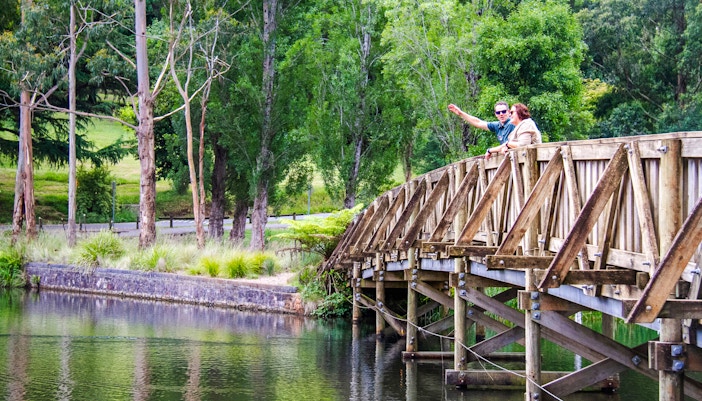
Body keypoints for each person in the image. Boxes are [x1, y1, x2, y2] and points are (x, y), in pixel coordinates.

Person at [447, 101, 515, 146]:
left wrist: (492, 150)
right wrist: (461, 113)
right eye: (498, 112)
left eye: (503, 111)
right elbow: (478, 123)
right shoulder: (497, 125)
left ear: (509, 112)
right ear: (495, 114)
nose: (501, 114)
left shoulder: (513, 123)